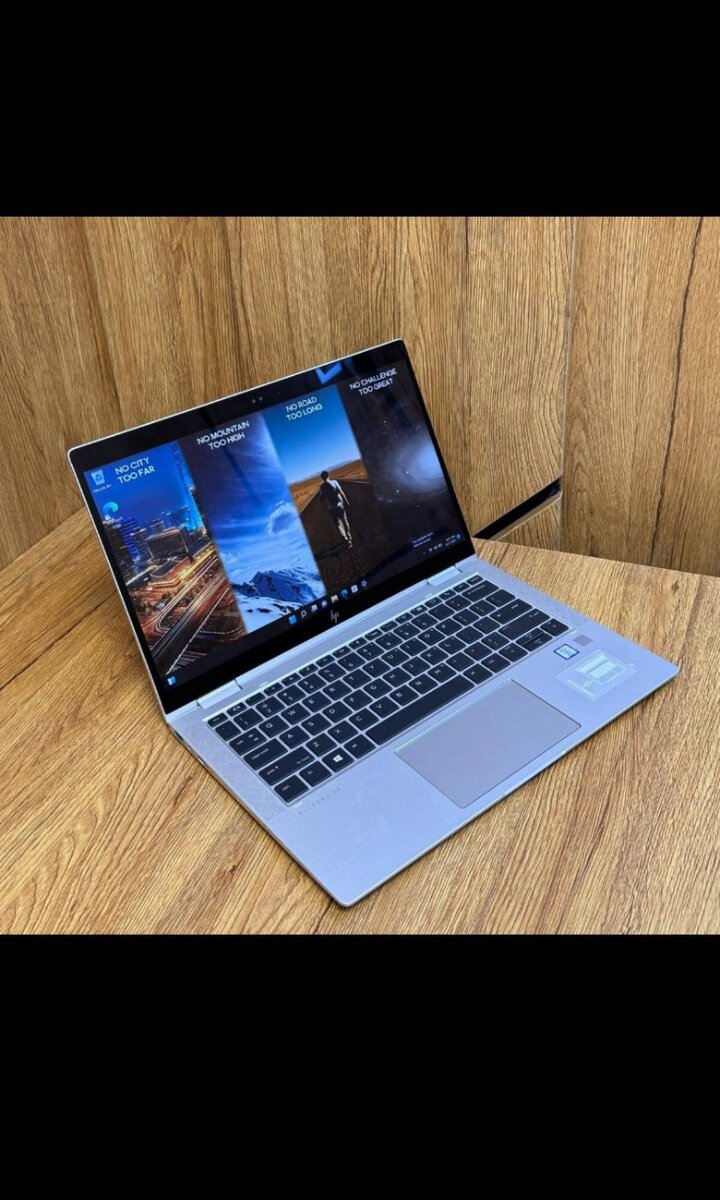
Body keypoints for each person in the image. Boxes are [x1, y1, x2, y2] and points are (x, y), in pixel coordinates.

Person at [318, 470, 353, 549]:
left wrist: (325, 496)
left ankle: (346, 540)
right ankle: (349, 537)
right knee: (345, 521)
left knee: (338, 525)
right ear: (328, 475)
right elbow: (341, 492)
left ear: (322, 478)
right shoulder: (334, 482)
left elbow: (321, 499)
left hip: (331, 508)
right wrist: (346, 501)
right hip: (340, 505)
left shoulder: (322, 487)